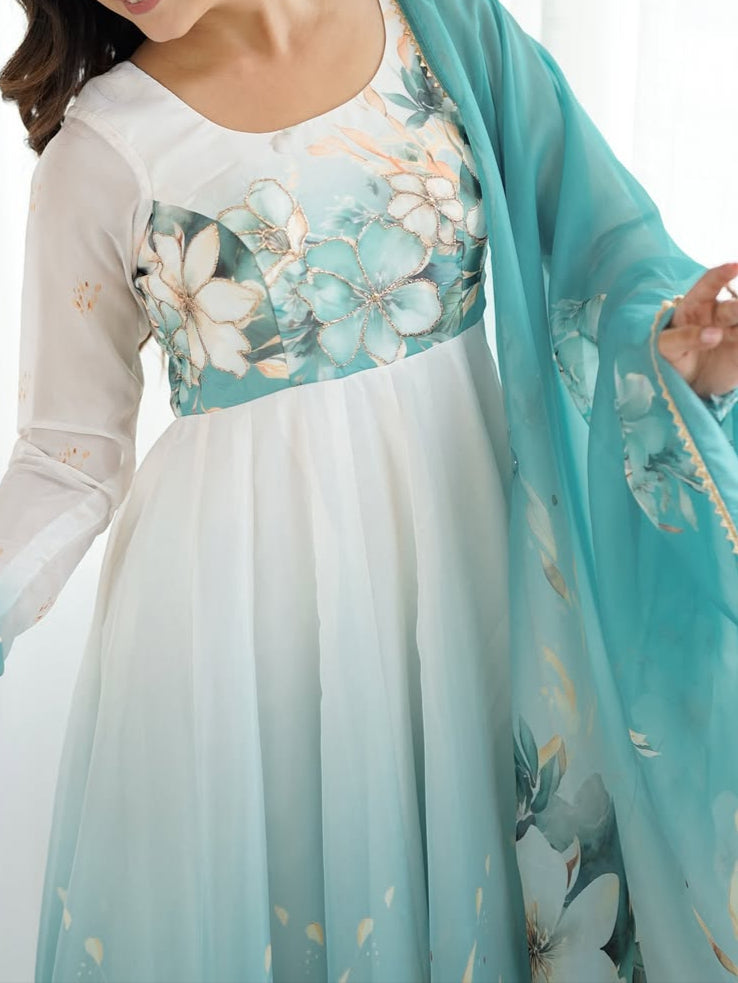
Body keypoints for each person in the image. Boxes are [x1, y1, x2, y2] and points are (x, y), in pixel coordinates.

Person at [1, 0, 737, 980]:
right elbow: (66, 459)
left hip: (473, 588)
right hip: (243, 646)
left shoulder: (446, 35)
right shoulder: (101, 152)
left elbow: (605, 256)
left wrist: (675, 351)